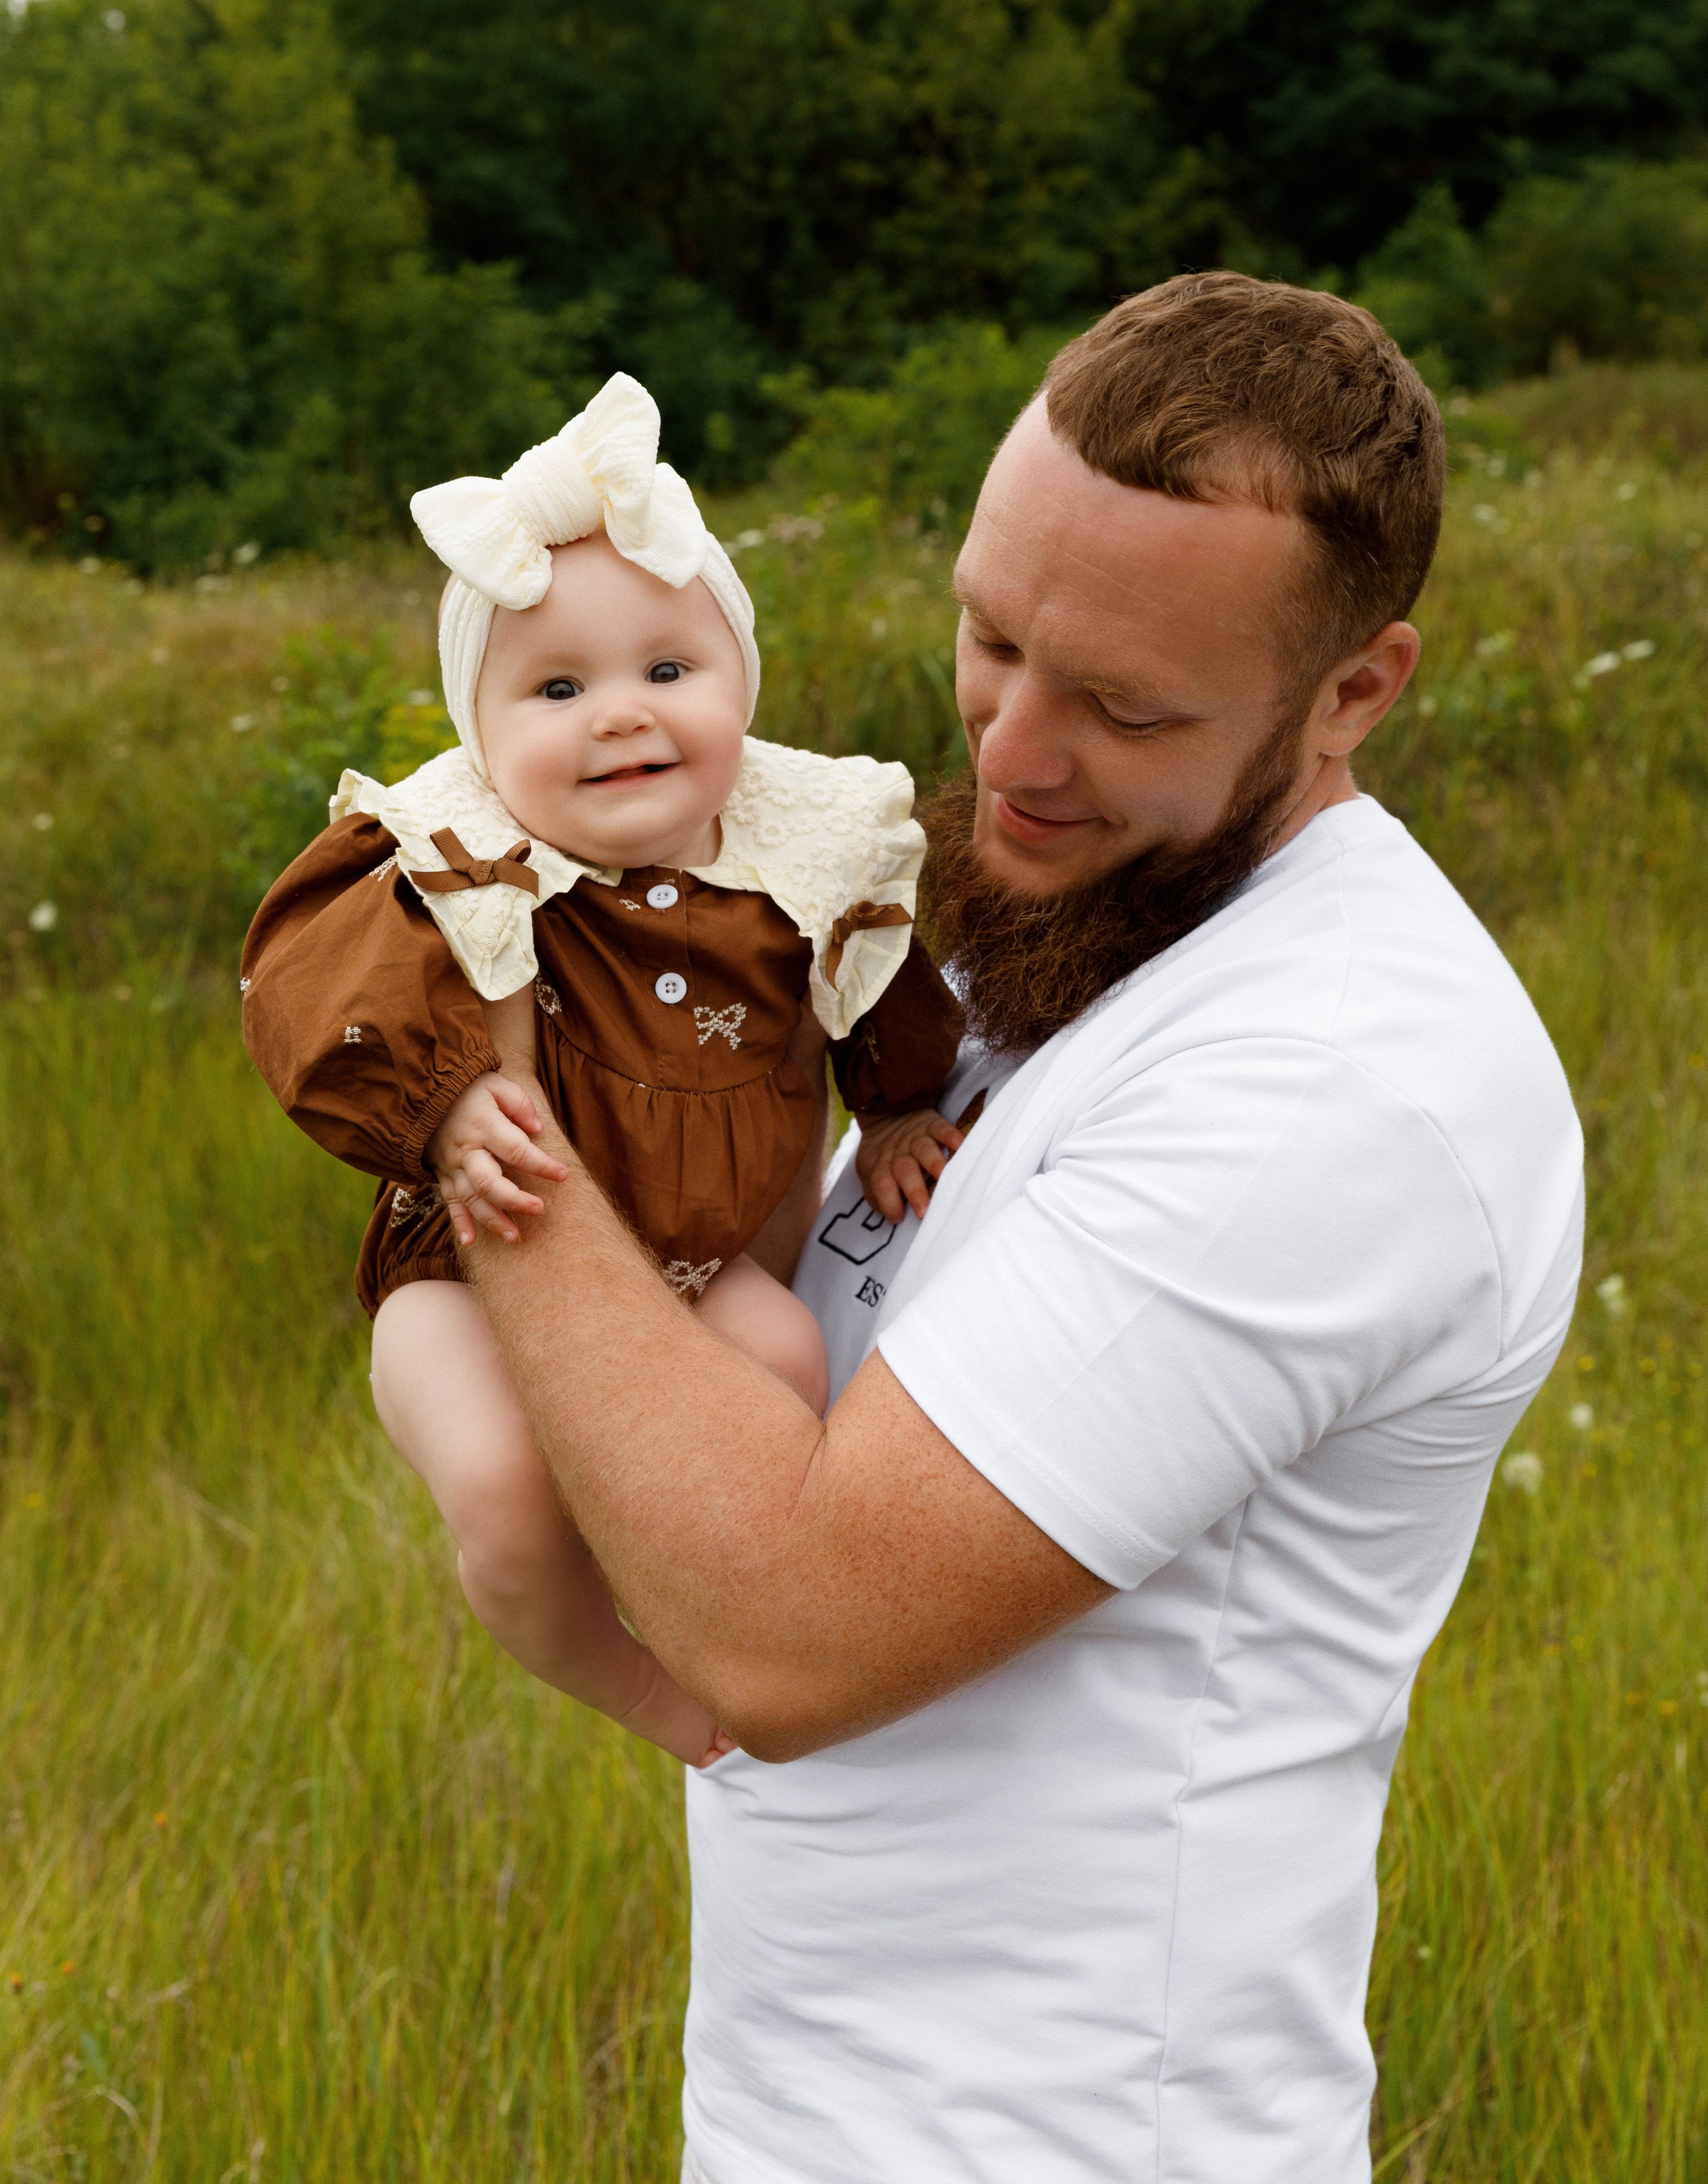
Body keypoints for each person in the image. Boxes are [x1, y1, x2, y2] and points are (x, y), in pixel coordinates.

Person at [456, 276, 1583, 2184]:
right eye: (990, 637)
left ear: (1357, 690)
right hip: (814, 2123)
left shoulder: (1338, 1079)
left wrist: (469, 1082)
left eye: (1128, 703)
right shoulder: (1079, 906)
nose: (1014, 753)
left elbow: (783, 1635)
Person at [240, 372, 963, 1768]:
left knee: (786, 1367)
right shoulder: (458, 854)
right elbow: (319, 985)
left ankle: (733, 1613)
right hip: (465, 1274)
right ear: (479, 731)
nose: (619, 714)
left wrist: (898, 1106)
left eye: (666, 672)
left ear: (739, 685)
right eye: (557, 688)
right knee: (509, 1489)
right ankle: (630, 1683)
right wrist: (447, 1102)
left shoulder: (795, 849)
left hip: (702, 1266)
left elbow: (872, 974)